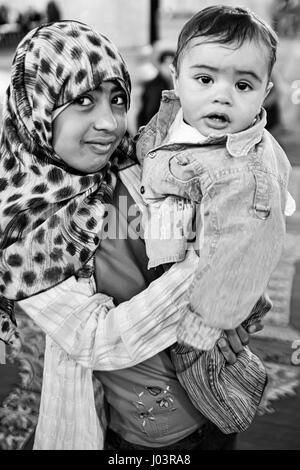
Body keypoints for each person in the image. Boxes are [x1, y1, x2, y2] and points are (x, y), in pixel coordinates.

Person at [0, 21, 263, 450]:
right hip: (145, 437)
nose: (109, 123)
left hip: (217, 395)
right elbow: (96, 340)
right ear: (36, 106)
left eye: (117, 99)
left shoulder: (143, 164)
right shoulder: (23, 229)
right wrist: (208, 271)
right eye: (83, 100)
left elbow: (232, 226)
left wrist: (230, 314)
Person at [137, 5, 295, 351]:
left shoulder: (245, 174)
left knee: (200, 386)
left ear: (264, 92)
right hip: (166, 258)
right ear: (176, 78)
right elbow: (150, 149)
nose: (222, 95)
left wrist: (206, 323)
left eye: (243, 85)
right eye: (205, 79)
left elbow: (243, 253)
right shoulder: (177, 115)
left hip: (209, 294)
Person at [137, 49, 174, 128]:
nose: (170, 68)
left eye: (173, 64)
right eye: (167, 64)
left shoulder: (169, 83)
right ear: (160, 65)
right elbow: (150, 113)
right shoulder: (155, 86)